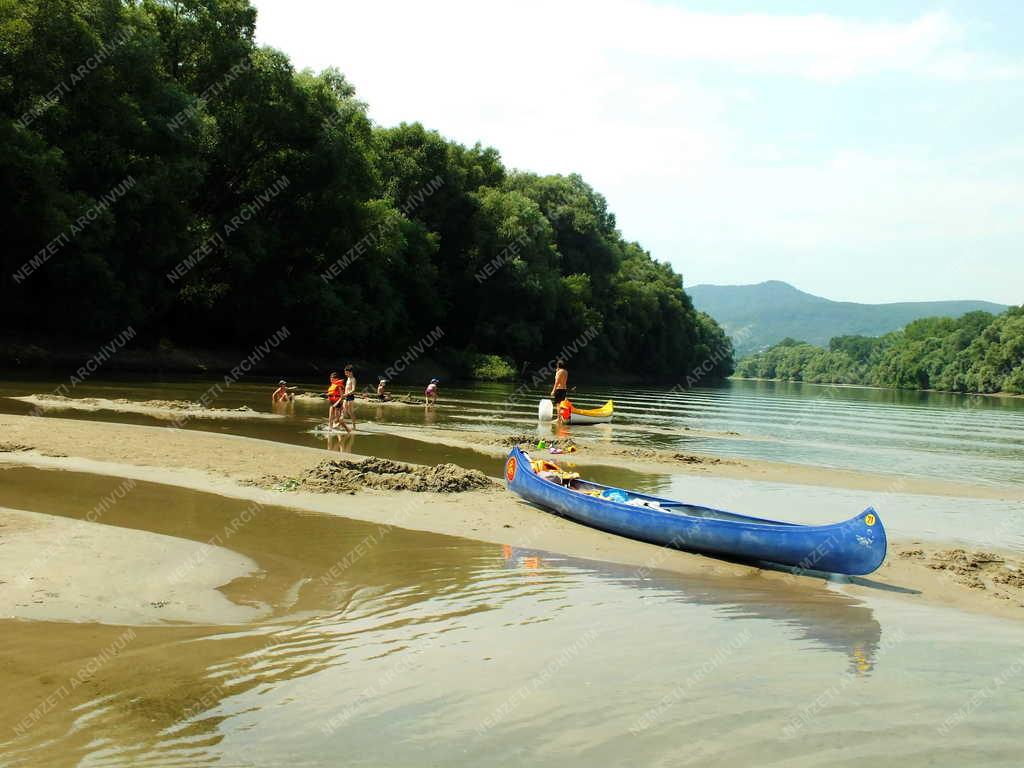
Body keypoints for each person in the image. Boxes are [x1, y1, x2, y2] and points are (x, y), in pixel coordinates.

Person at [342, 364, 357, 430]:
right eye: (345, 373)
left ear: (350, 372)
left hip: (350, 397)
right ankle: (341, 425)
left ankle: (354, 426)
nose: (346, 374)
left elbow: (353, 390)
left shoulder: (353, 379)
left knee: (350, 412)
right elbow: (346, 388)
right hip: (346, 396)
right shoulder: (348, 378)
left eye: (347, 373)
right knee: (343, 410)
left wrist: (346, 394)